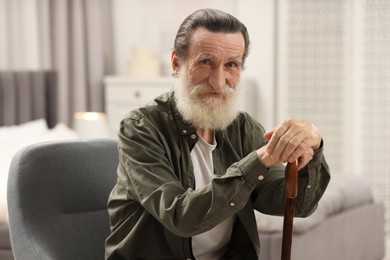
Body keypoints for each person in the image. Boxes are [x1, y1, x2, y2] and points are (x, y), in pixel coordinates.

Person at [105, 8, 330, 260]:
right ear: (177, 63)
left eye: (231, 65)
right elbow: (181, 216)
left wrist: (313, 142)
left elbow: (297, 205)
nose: (219, 81)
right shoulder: (140, 128)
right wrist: (260, 159)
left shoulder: (243, 128)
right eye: (205, 62)